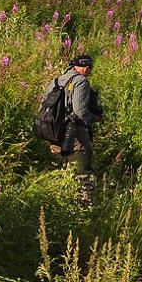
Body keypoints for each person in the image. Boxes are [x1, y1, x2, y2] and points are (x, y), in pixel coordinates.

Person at [46, 54, 104, 205]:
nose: (90, 72)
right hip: (75, 137)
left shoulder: (56, 81)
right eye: (90, 69)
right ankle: (85, 210)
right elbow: (80, 111)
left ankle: (63, 206)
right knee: (84, 175)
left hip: (56, 135)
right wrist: (94, 119)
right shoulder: (81, 81)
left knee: (65, 173)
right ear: (85, 68)